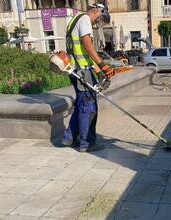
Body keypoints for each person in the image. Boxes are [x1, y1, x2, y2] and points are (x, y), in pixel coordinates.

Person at [62, 3, 115, 152]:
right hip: (83, 72)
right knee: (88, 107)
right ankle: (87, 143)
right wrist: (103, 65)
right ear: (97, 11)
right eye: (100, 19)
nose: (98, 23)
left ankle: (69, 137)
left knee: (81, 105)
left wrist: (99, 72)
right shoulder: (85, 19)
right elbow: (87, 44)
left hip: (75, 70)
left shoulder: (74, 20)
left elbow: (83, 52)